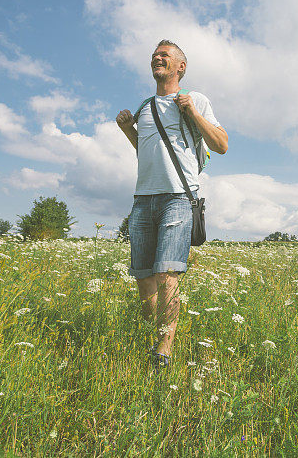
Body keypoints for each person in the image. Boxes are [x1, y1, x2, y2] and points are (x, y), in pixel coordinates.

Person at [116, 40, 228, 369]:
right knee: (143, 277)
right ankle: (151, 331)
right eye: (154, 55)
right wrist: (127, 130)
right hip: (143, 199)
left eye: (164, 55)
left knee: (167, 274)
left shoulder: (196, 101)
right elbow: (147, 151)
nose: (157, 58)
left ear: (181, 67)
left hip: (180, 197)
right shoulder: (145, 107)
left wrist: (191, 111)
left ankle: (164, 348)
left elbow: (220, 145)